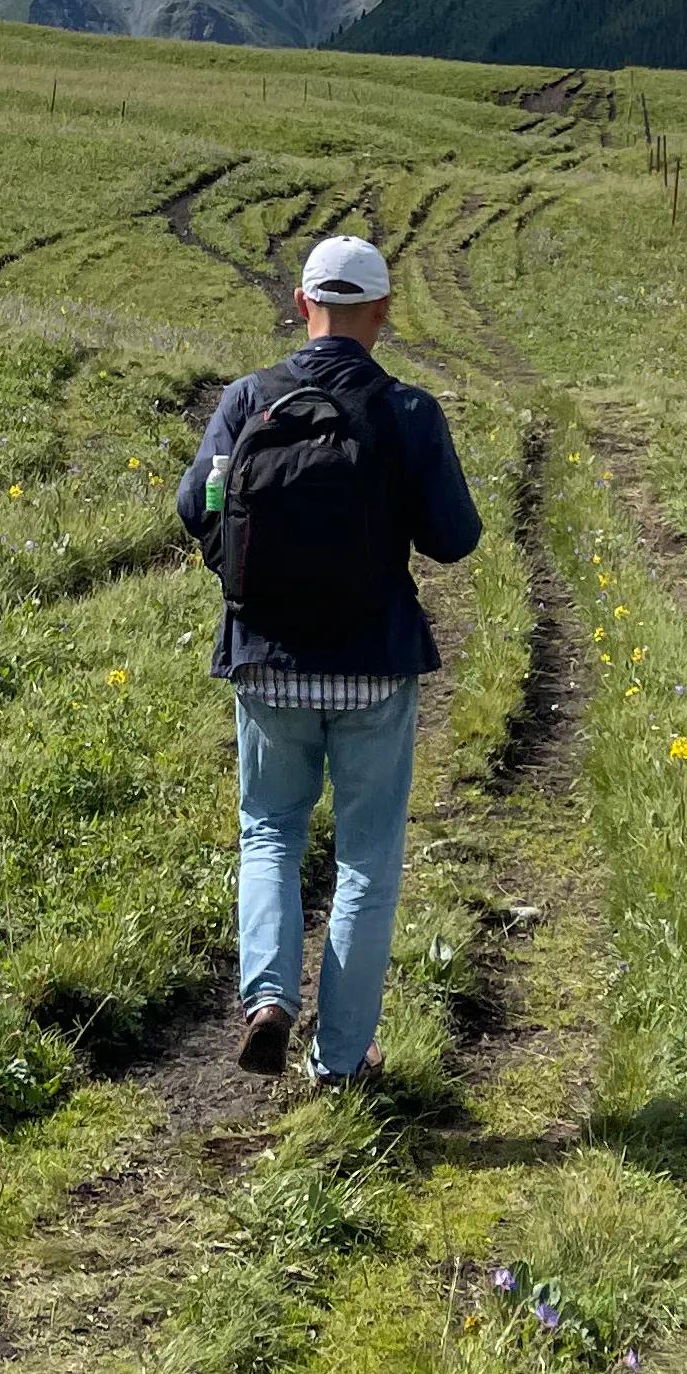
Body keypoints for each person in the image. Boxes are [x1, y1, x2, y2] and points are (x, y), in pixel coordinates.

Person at [177, 234, 483, 1086]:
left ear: (302, 305)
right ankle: (341, 1061)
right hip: (373, 667)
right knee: (366, 860)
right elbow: (454, 540)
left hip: (266, 660)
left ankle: (267, 999)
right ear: (381, 314)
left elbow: (192, 504)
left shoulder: (246, 401)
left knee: (270, 831)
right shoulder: (410, 412)